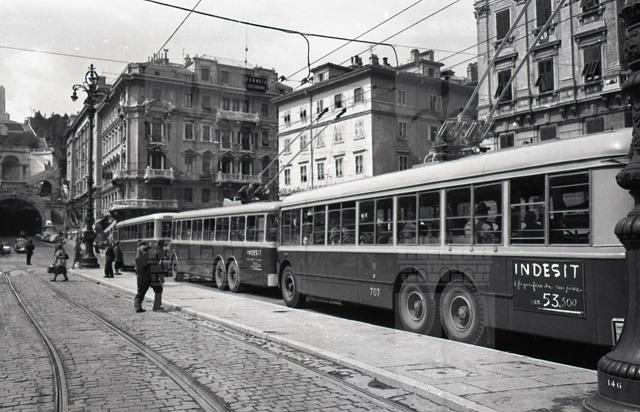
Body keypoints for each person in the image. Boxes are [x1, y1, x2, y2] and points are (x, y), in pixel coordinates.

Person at [134, 243, 165, 313]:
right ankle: (156, 306)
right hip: (150, 278)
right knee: (159, 289)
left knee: (140, 293)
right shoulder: (150, 258)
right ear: (148, 250)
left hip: (140, 278)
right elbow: (156, 263)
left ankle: (137, 306)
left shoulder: (137, 259)